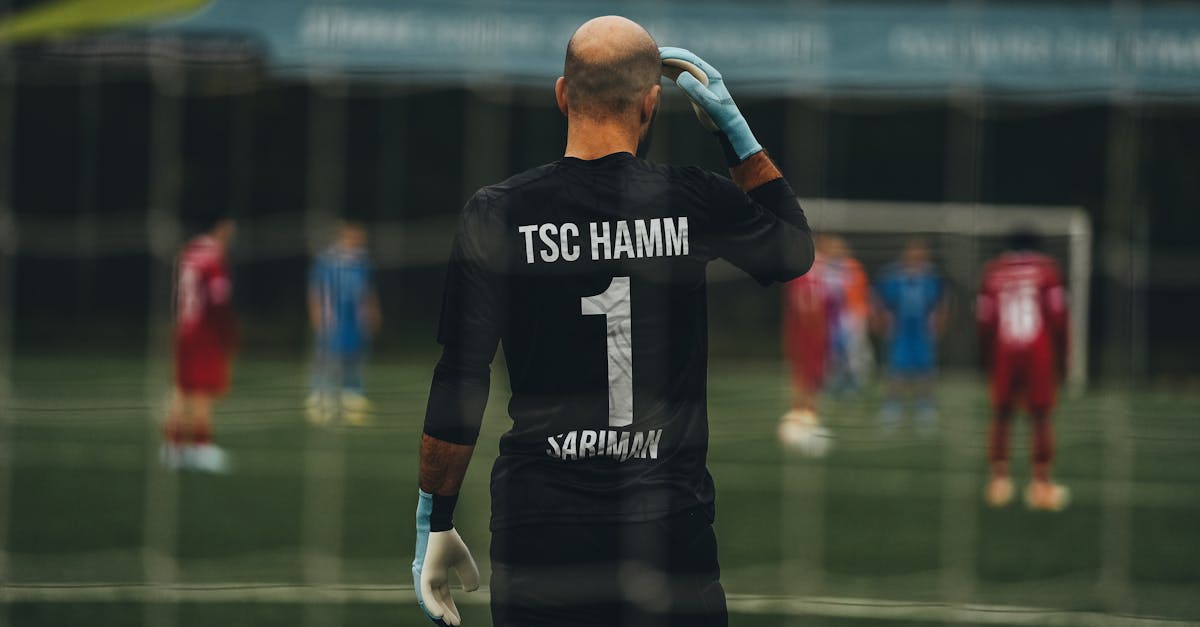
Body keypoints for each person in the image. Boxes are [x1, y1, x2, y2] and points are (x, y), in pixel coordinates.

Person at [411, 16, 814, 627]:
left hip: (539, 528)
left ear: (562, 94)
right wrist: (734, 128)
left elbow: (460, 378)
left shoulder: (499, 211)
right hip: (668, 528)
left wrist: (433, 521)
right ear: (652, 103)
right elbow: (794, 252)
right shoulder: (690, 198)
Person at [977, 229, 1070, 511]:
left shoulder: (993, 271)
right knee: (1040, 415)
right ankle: (1041, 484)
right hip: (1037, 349)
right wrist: (1063, 359)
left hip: (1004, 349)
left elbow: (984, 320)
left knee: (1002, 413)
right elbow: (1058, 316)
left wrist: (987, 357)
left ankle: (999, 482)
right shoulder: (1047, 271)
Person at [162, 215, 238, 473]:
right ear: (219, 228)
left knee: (182, 388)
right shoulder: (213, 258)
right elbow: (218, 302)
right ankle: (201, 447)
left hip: (184, 328)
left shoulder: (187, 253)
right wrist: (228, 335)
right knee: (203, 391)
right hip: (205, 332)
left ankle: (172, 446)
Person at [305, 221, 381, 426]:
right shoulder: (326, 261)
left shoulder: (362, 262)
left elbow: (368, 291)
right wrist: (317, 314)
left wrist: (373, 312)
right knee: (326, 358)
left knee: (354, 357)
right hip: (332, 317)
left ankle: (353, 399)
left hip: (354, 319)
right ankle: (320, 399)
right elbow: (315, 290)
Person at [872, 237, 947, 435]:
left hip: (922, 330)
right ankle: (892, 408)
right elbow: (879, 299)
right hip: (901, 330)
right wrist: (881, 319)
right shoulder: (894, 275)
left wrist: (939, 322)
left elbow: (941, 302)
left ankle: (925, 408)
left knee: (925, 370)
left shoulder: (931, 276)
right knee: (896, 369)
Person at [779, 254, 832, 456]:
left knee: (807, 376)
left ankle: (805, 419)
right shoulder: (809, 278)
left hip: (806, 333)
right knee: (806, 377)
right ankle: (801, 419)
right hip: (808, 333)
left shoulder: (803, 277)